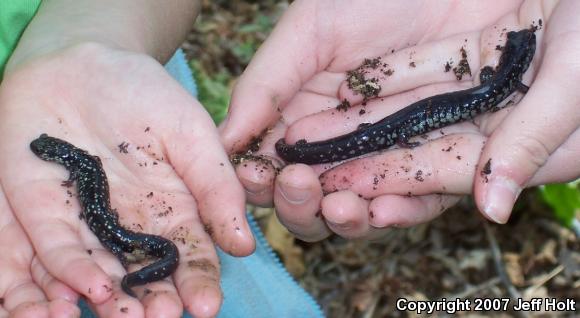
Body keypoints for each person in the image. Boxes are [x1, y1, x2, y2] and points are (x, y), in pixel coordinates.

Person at [0, 1, 324, 318]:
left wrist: (85, 39)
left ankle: (136, 277)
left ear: (60, 153)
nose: (44, 152)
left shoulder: (81, 162)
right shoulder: (80, 161)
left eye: (46, 150)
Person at [221, 0, 580, 241]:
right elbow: (510, 84)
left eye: (523, 44)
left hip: (409, 121)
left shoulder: (502, 81)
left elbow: (497, 78)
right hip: (405, 123)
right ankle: (296, 152)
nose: (524, 42)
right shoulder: (510, 82)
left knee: (376, 137)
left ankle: (298, 152)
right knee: (378, 136)